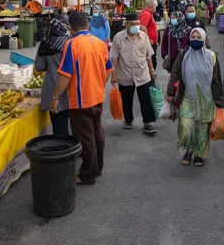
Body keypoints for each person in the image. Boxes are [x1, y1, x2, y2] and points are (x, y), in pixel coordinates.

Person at [50, 12, 112, 185]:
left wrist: (55, 97)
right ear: (88, 25)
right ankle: (97, 168)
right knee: (97, 133)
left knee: (86, 137)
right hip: (97, 96)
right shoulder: (101, 44)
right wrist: (98, 84)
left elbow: (65, 75)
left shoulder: (72, 44)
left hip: (80, 100)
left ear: (70, 27)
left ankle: (88, 174)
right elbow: (108, 70)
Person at [167, 28, 224, 167]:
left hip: (207, 99)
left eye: (199, 37)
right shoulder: (184, 54)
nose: (195, 39)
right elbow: (174, 73)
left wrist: (220, 103)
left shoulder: (211, 56)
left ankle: (198, 153)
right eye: (193, 37)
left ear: (204, 39)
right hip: (187, 96)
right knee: (186, 127)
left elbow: (217, 81)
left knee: (202, 129)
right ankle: (189, 149)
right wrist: (170, 93)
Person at [110, 13, 158, 134]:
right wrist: (113, 75)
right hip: (124, 74)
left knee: (145, 99)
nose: (135, 26)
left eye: (137, 24)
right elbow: (114, 57)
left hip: (142, 74)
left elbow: (148, 56)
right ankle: (128, 120)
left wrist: (152, 70)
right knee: (126, 99)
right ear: (126, 25)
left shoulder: (144, 37)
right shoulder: (118, 38)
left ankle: (147, 122)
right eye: (132, 24)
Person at [35, 15, 71, 136]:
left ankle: (62, 151)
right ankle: (76, 150)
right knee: (77, 125)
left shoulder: (46, 44)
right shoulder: (71, 43)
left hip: (52, 89)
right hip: (71, 88)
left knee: (59, 127)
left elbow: (39, 67)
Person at [139, 0, 159, 71]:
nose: (155, 8)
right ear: (151, 6)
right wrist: (148, 39)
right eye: (154, 6)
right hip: (149, 43)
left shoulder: (148, 14)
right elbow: (142, 27)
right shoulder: (146, 14)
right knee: (151, 62)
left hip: (151, 42)